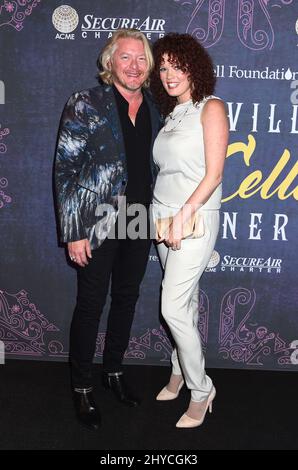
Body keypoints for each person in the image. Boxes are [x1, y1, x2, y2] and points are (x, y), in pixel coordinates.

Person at [54, 29, 160, 430]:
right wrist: (74, 230)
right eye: (125, 58)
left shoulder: (155, 106)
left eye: (141, 59)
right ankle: (81, 386)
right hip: (96, 218)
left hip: (139, 217)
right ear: (110, 62)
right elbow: (65, 170)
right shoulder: (85, 103)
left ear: (148, 65)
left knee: (127, 299)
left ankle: (113, 370)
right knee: (91, 303)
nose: (134, 66)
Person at [150, 33, 228, 428]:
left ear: (193, 65)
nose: (168, 74)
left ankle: (202, 389)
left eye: (176, 65)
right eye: (162, 67)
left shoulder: (210, 108)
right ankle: (179, 370)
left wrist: (183, 217)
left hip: (192, 219)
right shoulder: (172, 114)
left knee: (172, 308)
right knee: (187, 303)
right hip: (161, 216)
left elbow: (214, 174)